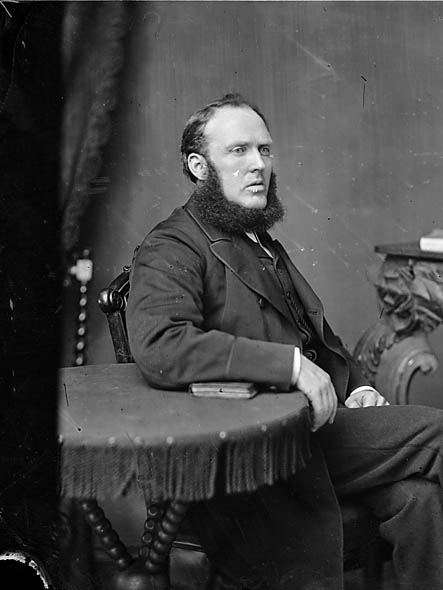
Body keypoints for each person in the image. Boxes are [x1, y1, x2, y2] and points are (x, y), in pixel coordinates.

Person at [126, 93, 443, 590]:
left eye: (265, 150)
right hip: (259, 451)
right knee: (438, 432)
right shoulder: (172, 244)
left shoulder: (255, 237)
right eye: (239, 151)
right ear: (198, 166)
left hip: (314, 431)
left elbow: (319, 339)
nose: (259, 164)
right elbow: (162, 345)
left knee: (420, 500)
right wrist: (290, 367)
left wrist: (358, 386)